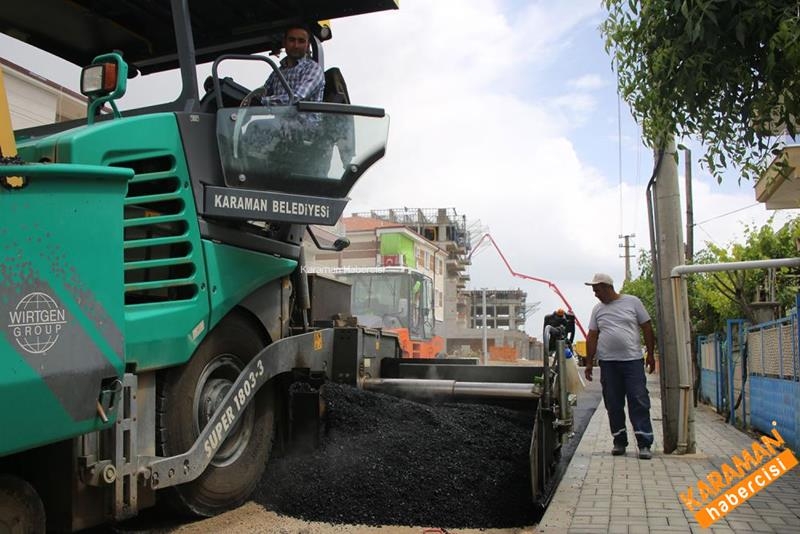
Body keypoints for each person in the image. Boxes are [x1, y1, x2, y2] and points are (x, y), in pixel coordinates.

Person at [583, 273, 656, 460]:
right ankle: (619, 440)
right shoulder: (597, 310)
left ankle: (644, 442)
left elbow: (647, 327)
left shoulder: (632, 302)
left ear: (607, 287)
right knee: (613, 402)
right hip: (608, 363)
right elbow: (592, 335)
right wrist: (589, 362)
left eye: (597, 290)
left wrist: (650, 354)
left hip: (632, 361)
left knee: (638, 399)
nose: (595, 294)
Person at [261, 26, 325, 105]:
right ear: (284, 43)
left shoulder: (313, 69)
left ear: (307, 45)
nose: (296, 45)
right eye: (292, 40)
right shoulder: (277, 72)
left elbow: (297, 97)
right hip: (278, 117)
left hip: (302, 118)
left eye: (301, 41)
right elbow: (262, 93)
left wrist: (262, 101)